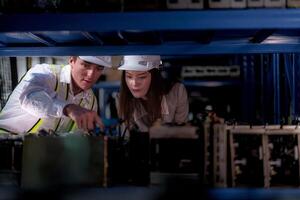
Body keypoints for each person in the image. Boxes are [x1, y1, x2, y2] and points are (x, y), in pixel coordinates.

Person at [0, 56, 112, 134]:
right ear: (72, 60)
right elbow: (29, 98)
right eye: (86, 65)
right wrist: (68, 108)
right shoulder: (45, 73)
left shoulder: (91, 100)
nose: (91, 74)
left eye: (99, 68)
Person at [117, 55, 189, 132]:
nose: (134, 83)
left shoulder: (177, 92)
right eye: (129, 76)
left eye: (142, 77)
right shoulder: (122, 98)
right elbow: (126, 138)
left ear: (155, 76)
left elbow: (181, 133)